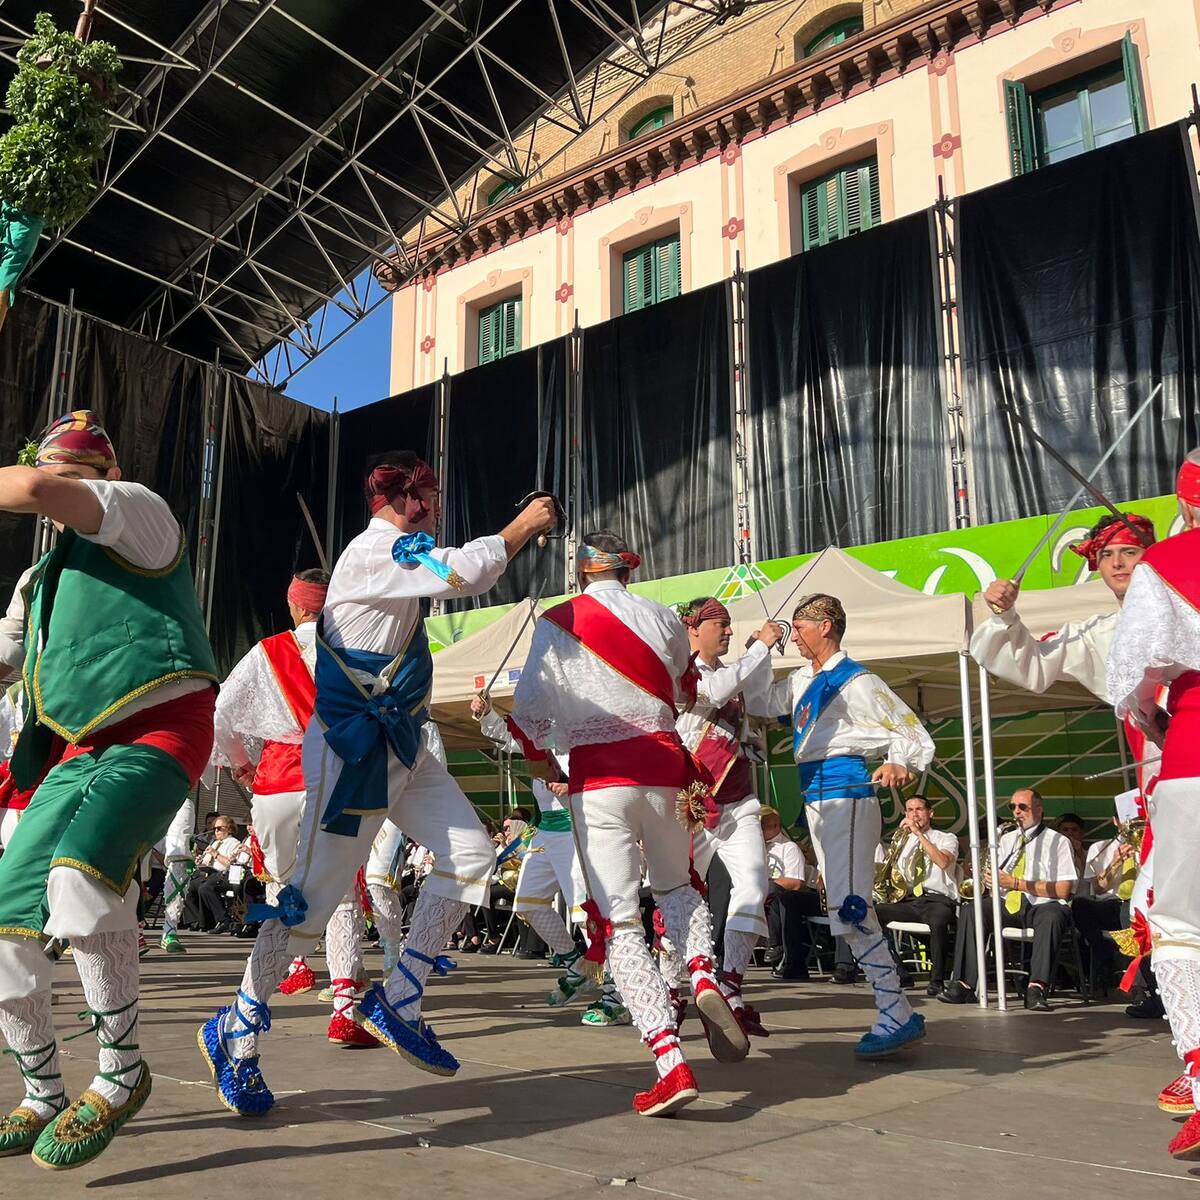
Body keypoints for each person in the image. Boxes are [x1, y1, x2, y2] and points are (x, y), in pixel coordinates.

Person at [197, 451, 555, 1116]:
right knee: (306, 908)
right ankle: (237, 1029)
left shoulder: (392, 556)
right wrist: (524, 526)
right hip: (350, 753)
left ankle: (402, 997)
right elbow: (465, 572)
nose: (438, 503)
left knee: (472, 855)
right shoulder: (377, 551)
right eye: (432, 494)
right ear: (412, 499)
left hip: (399, 745)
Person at [0, 410, 218, 1168]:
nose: (59, 490)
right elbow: (5, 656)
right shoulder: (40, 578)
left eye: (77, 476)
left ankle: (123, 1072)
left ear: (104, 475)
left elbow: (30, 484)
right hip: (77, 750)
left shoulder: (141, 513)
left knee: (80, 878)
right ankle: (39, 1091)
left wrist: (44, 482)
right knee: (4, 930)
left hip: (161, 728)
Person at [511, 531, 748, 1118]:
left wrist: (539, 753)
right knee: (677, 887)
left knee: (621, 921)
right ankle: (702, 973)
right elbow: (684, 687)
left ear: (582, 571)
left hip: (602, 781)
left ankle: (669, 1060)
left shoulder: (559, 619)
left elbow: (530, 708)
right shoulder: (664, 618)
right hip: (667, 769)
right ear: (627, 570)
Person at [744, 593, 933, 1057]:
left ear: (825, 626)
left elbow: (912, 732)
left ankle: (896, 1010)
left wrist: (897, 762)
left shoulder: (857, 680)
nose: (796, 635)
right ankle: (896, 1009)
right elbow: (757, 699)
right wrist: (760, 648)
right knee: (842, 907)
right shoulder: (802, 680)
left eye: (800, 625)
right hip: (817, 797)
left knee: (850, 904)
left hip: (847, 792)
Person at [211, 568, 380, 1047]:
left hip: (279, 781)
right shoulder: (355, 653)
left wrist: (242, 763)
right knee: (343, 892)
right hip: (338, 779)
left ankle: (259, 1003)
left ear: (294, 605)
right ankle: (344, 1010)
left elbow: (221, 713)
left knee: (284, 889)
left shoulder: (268, 652)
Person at [1108, 450, 1200, 1158]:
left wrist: (1151, 714)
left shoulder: (1169, 562)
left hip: (1194, 753)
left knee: (1177, 921)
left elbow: (1138, 679)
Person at [668, 596, 777, 1036]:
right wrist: (759, 648)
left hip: (737, 798)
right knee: (679, 897)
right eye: (722, 624)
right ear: (694, 628)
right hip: (691, 802)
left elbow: (762, 697)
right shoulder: (681, 669)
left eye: (731, 626)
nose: (729, 632)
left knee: (755, 883)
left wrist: (762, 650)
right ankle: (673, 991)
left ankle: (730, 982)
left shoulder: (734, 672)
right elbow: (712, 692)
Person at [938, 788, 1076, 1011]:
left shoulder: (1057, 841)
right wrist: (990, 878)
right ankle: (964, 983)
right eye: (1013, 807)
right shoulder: (1006, 839)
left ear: (1039, 809)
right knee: (971, 910)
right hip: (1008, 902)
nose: (1017, 812)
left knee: (1053, 916)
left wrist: (1016, 883)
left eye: (1023, 807)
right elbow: (998, 880)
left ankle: (1037, 987)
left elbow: (1063, 889)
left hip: (1041, 904)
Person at [873, 794, 960, 997]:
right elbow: (893, 872)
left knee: (938, 921)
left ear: (930, 813)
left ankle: (937, 980)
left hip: (938, 899)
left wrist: (919, 836)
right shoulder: (902, 841)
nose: (914, 815)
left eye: (918, 809)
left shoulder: (946, 838)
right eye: (910, 810)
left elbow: (943, 862)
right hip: (911, 900)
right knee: (871, 914)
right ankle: (900, 972)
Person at [761, 806, 820, 981]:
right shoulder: (754, 848)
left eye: (761, 826)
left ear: (774, 826)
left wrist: (764, 884)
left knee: (777, 894)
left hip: (780, 898)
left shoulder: (788, 848)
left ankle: (776, 945)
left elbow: (795, 883)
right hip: (759, 898)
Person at [181, 816, 243, 932]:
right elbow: (206, 861)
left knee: (205, 887)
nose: (216, 831)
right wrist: (199, 861)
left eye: (219, 828)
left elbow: (230, 864)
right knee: (187, 886)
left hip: (222, 874)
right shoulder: (215, 843)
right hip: (207, 872)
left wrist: (215, 854)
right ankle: (196, 920)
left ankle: (221, 919)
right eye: (214, 829)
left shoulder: (234, 843)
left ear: (229, 829)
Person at [1056, 813, 1087, 878]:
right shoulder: (1051, 854)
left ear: (1081, 833)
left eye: (1074, 830)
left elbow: (1094, 877)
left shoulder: (1090, 854)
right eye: (1065, 830)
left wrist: (1080, 853)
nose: (1070, 833)